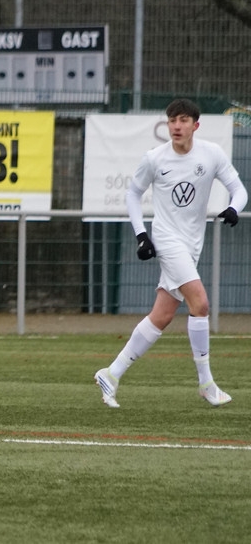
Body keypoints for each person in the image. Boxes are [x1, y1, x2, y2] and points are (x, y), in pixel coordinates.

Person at [95, 98, 247, 408]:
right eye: (172, 120)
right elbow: (133, 194)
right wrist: (142, 235)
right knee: (200, 304)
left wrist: (234, 208)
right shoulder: (154, 158)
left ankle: (111, 374)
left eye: (183, 120)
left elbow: (239, 189)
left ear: (195, 125)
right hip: (167, 240)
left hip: (192, 245)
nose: (176, 126)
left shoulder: (211, 154)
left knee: (162, 316)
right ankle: (206, 383)